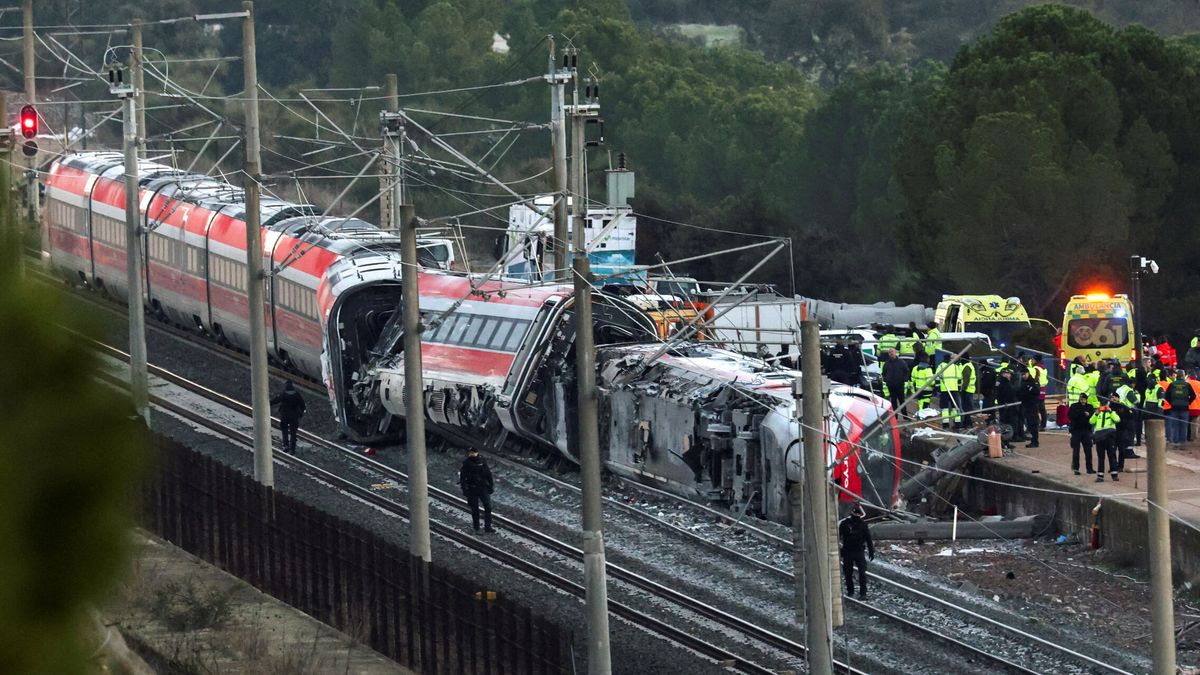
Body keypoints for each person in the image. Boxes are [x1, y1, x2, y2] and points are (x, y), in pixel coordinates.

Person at [838, 504, 875, 600]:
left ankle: (863, 593)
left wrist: (871, 551)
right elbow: (838, 536)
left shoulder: (863, 525)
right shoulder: (845, 524)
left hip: (859, 552)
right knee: (848, 573)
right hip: (848, 551)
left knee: (862, 573)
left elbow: (868, 538)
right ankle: (851, 592)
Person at [459, 448, 495, 532]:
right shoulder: (466, 463)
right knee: (475, 509)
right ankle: (476, 527)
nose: (472, 454)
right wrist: (464, 489)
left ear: (477, 453)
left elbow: (488, 474)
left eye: (473, 452)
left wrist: (491, 485)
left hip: (483, 487)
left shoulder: (482, 461)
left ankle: (488, 527)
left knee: (488, 507)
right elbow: (462, 478)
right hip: (472, 488)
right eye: (470, 453)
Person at [270, 381, 306, 452]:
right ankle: (292, 449)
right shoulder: (297, 395)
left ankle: (285, 446)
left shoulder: (283, 394)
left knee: (285, 431)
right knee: (293, 432)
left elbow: (276, 400)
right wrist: (301, 413)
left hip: (285, 416)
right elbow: (302, 405)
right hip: (294, 416)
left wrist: (269, 402)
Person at [1091, 402, 1121, 482]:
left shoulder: (1112, 413)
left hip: (1109, 438)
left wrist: (1110, 411)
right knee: (1101, 457)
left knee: (1112, 456)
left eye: (1105, 406)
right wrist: (1096, 414)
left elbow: (1117, 419)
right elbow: (1091, 421)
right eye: (1102, 406)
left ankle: (1114, 475)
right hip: (1100, 439)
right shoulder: (1098, 414)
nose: (1103, 407)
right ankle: (1100, 476)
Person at [1164, 369, 1195, 446]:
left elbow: (1166, 395)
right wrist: (1188, 402)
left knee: (1175, 425)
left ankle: (1176, 442)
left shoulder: (1172, 384)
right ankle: (1183, 442)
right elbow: (1193, 396)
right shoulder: (1187, 385)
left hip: (1174, 408)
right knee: (1184, 426)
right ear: (1183, 376)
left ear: (1177, 376)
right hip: (1185, 408)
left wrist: (1171, 402)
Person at [1068, 393, 1095, 476]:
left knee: (1088, 450)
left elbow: (1092, 417)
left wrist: (1088, 415)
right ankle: (1076, 468)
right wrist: (1083, 414)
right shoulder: (1074, 406)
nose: (1082, 400)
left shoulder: (1090, 407)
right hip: (1076, 431)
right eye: (1081, 398)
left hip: (1086, 431)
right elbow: (1071, 415)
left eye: (1084, 399)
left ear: (1086, 399)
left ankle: (1089, 468)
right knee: (1076, 450)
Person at [882, 348, 910, 417]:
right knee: (893, 401)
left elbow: (906, 371)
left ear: (895, 352)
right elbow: (884, 373)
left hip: (900, 384)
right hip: (891, 385)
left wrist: (904, 379)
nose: (891, 353)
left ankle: (905, 416)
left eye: (892, 352)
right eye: (889, 352)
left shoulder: (901, 362)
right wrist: (886, 379)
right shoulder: (887, 363)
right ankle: (895, 416)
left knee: (902, 401)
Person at [996, 369, 1019, 450]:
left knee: (1005, 424)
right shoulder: (1004, 383)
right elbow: (1008, 394)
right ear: (1004, 374)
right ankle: (1005, 442)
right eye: (1008, 374)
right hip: (1006, 406)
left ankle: (1006, 442)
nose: (1010, 375)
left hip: (1004, 405)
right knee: (1006, 425)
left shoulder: (1000, 382)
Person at [1019, 370, 1041, 448]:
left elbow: (1037, 391)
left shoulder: (1033, 381)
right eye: (1022, 374)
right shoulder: (1022, 382)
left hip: (1033, 406)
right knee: (1029, 424)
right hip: (1026, 405)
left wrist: (1029, 388)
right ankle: (1033, 440)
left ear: (1028, 373)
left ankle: (1035, 441)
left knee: (1033, 424)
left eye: (1024, 374)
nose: (1023, 376)